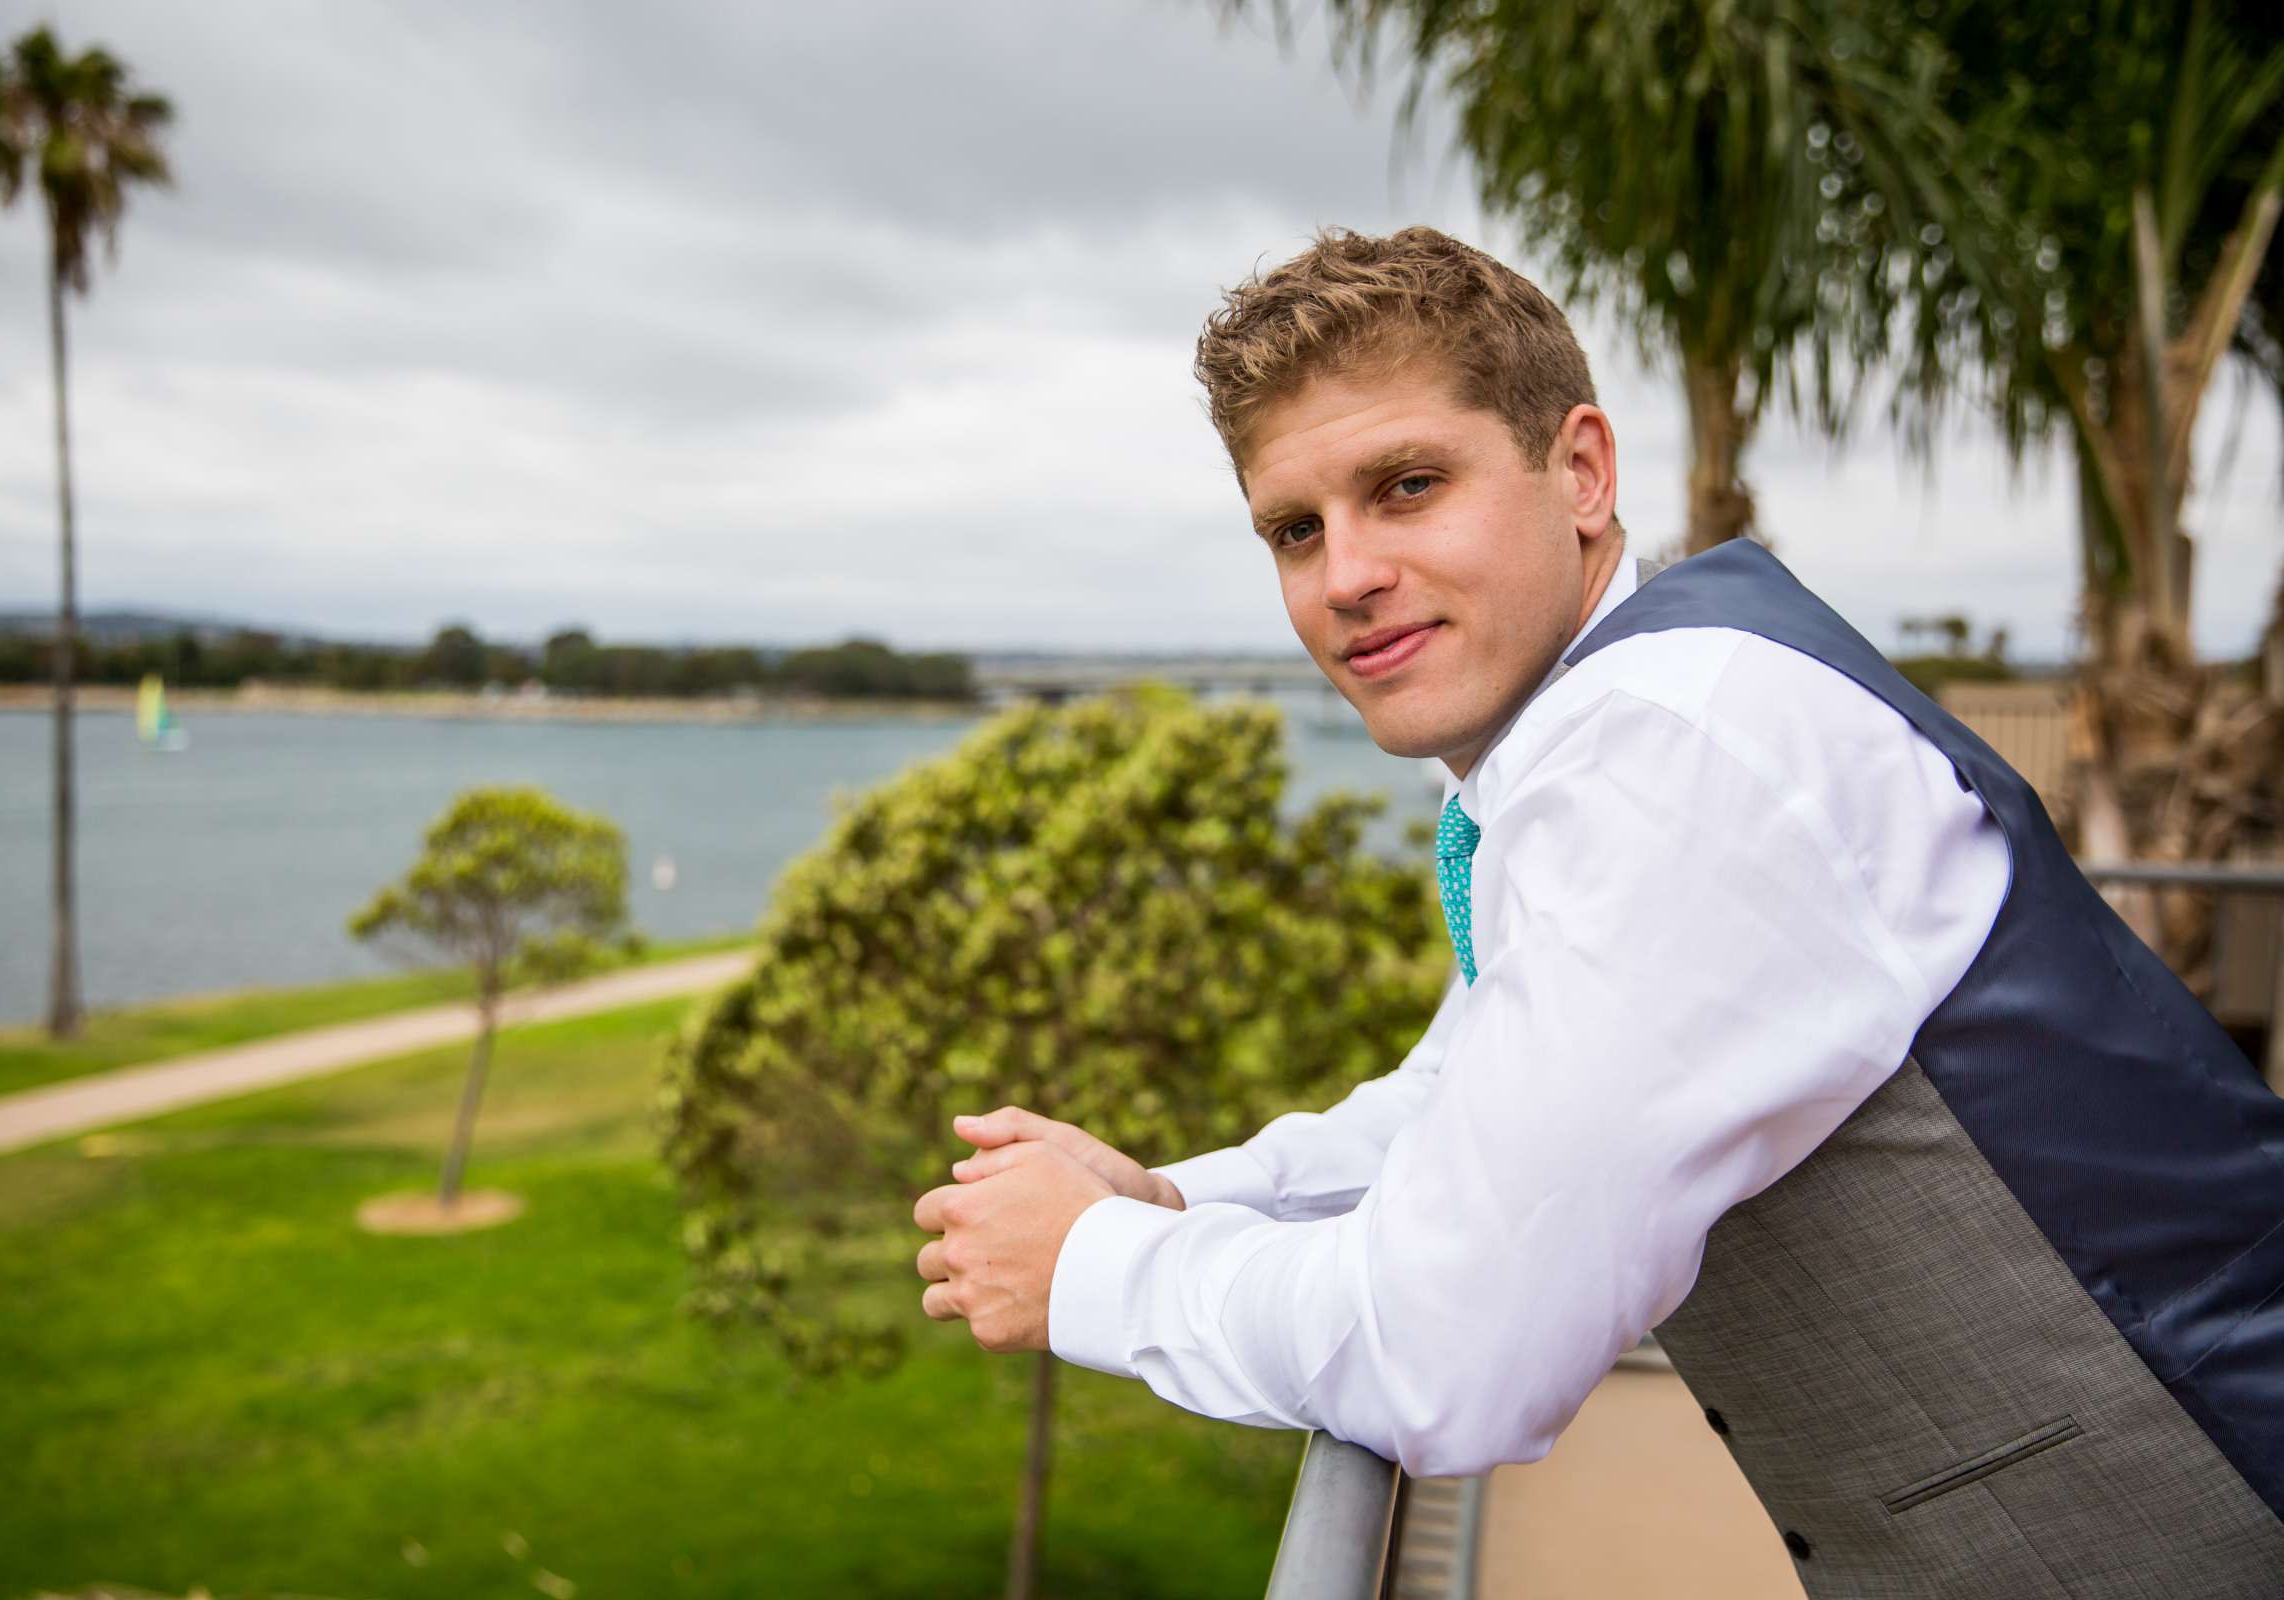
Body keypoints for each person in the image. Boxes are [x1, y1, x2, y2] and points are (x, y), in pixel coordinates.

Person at [910, 226, 2284, 1594]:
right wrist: (1175, 1196)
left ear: (1580, 470)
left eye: (1407, 485)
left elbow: (1452, 1359)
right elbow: (1465, 1098)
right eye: (1295, 529)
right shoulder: (1617, 718)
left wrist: (1096, 1268)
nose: (1343, 578)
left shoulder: (1667, 754)